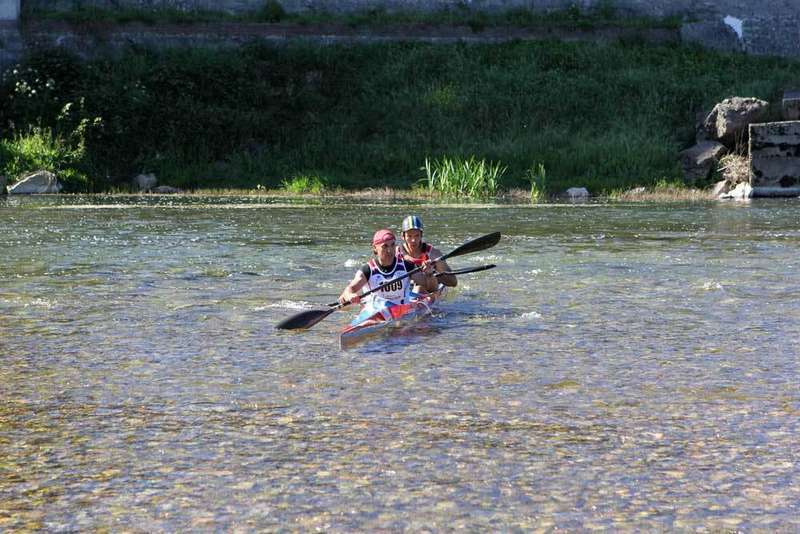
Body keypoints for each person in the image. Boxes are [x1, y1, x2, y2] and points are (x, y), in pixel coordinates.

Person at [338, 229, 437, 310]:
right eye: (385, 246)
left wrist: (429, 274)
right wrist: (351, 295)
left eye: (392, 245)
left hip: (400, 310)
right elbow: (349, 289)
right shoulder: (368, 270)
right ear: (375, 248)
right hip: (375, 312)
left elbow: (431, 289)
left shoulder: (406, 266)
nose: (390, 250)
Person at [397, 215, 457, 289]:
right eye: (409, 236)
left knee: (419, 289)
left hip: (429, 289)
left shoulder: (433, 254)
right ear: (403, 236)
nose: (413, 240)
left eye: (417, 236)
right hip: (407, 290)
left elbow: (453, 282)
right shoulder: (396, 253)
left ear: (421, 235)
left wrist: (434, 275)